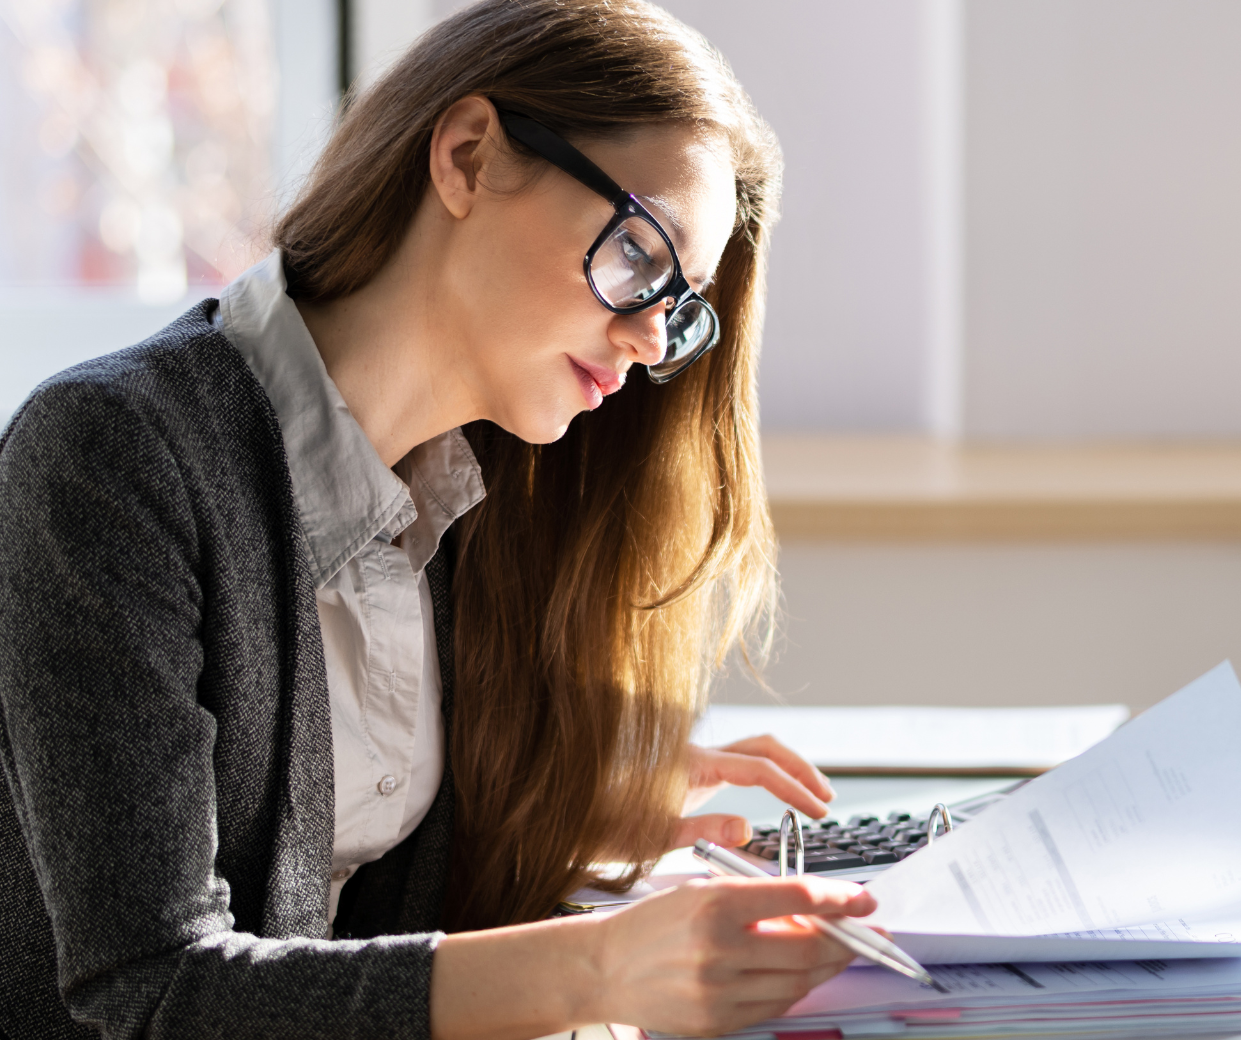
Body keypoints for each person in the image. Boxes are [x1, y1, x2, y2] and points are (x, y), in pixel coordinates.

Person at [0, 2, 875, 1037]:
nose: (648, 338)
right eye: (643, 255)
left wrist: (551, 802)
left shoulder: (475, 500)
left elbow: (351, 916)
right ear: (467, 156)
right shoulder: (113, 452)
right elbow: (150, 989)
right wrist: (597, 966)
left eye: (679, 302)